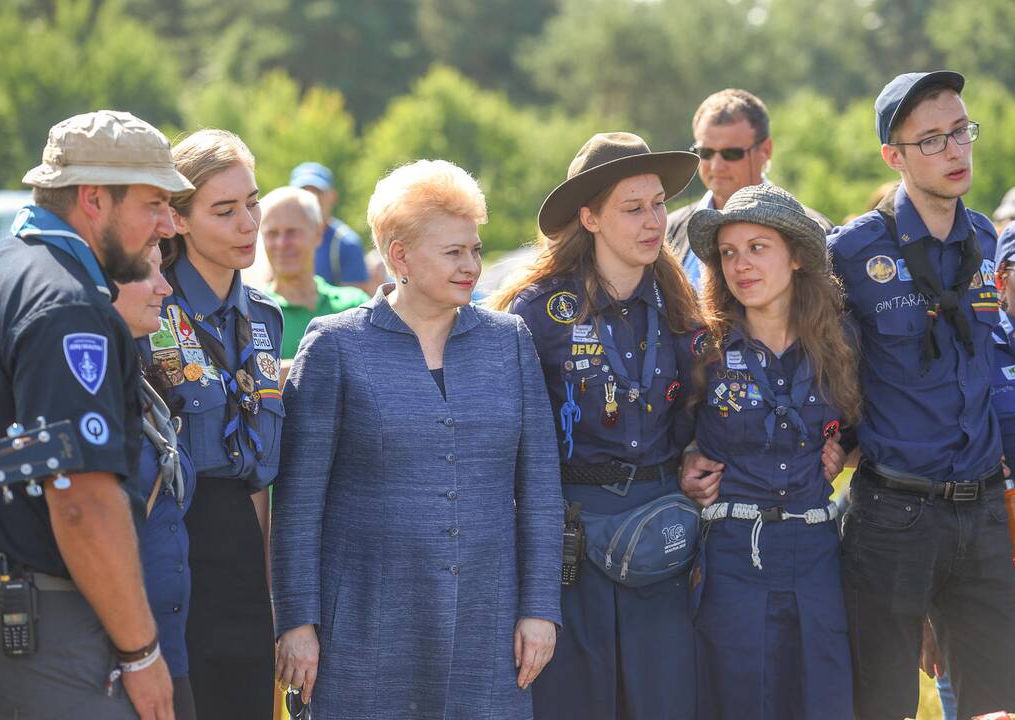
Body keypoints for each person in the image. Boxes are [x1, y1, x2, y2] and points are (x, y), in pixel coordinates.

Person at [272, 159, 563, 720]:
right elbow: (299, 502)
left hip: (490, 622)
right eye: (453, 252)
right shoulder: (336, 346)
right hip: (361, 625)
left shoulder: (509, 341)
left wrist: (539, 609)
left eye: (475, 250)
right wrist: (297, 621)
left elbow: (541, 491)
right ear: (399, 255)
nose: (472, 266)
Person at [489, 131, 709, 720]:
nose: (654, 222)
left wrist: (699, 456)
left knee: (664, 704)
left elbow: (705, 410)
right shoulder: (535, 311)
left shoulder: (685, 304)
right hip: (570, 542)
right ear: (589, 217)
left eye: (659, 204)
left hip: (662, 534)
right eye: (633, 209)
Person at [828, 70, 1015, 719]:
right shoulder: (852, 253)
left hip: (985, 514)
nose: (955, 151)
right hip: (894, 515)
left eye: (962, 132)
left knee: (999, 709)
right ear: (894, 156)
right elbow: (821, 363)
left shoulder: (988, 242)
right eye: (933, 139)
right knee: (883, 706)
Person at [0, 110, 192, 719]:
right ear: (94, 199)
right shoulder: (69, 308)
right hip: (48, 635)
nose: (165, 223)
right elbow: (81, 500)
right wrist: (140, 653)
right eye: (153, 202)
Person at [685, 184, 859, 719]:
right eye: (730, 253)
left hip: (817, 555)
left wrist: (844, 450)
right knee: (738, 702)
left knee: (820, 701)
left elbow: (864, 428)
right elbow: (666, 432)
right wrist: (684, 462)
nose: (741, 265)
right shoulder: (700, 346)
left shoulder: (844, 341)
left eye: (758, 248)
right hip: (733, 553)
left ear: (798, 256)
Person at [156, 129, 283, 719]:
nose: (248, 224)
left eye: (253, 202)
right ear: (178, 220)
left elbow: (257, 480)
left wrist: (275, 595)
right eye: (225, 210)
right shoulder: (147, 312)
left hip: (243, 553)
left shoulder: (265, 318)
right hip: (170, 546)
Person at [927, 213, 1015, 720]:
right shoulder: (972, 357)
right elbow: (930, 486)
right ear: (1001, 281)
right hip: (1002, 618)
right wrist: (930, 608)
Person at [114, 245, 198, 720]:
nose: (166, 287)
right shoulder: (87, 386)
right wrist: (137, 655)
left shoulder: (142, 380)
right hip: (118, 656)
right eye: (148, 275)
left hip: (169, 650)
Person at [666, 89, 832, 290]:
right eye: (706, 152)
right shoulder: (669, 231)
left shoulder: (814, 230)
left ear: (765, 151)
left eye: (731, 153)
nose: (716, 166)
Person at [258, 187, 367, 375]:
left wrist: (298, 369)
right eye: (272, 233)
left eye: (292, 232)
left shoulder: (355, 307)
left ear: (318, 234)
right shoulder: (253, 311)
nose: (282, 243)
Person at [289, 161, 371, 292]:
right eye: (303, 193)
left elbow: (356, 307)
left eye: (317, 192)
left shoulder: (346, 244)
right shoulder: (279, 240)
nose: (311, 200)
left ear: (333, 196)